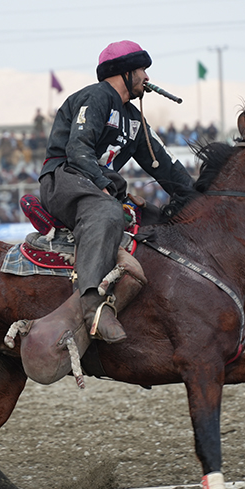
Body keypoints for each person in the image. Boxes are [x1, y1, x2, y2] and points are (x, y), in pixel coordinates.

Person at [39, 40, 195, 343]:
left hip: (99, 184)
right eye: (142, 70)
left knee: (154, 216)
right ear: (124, 72)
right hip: (64, 177)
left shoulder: (134, 120)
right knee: (108, 210)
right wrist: (106, 188)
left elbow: (165, 167)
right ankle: (91, 303)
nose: (147, 78)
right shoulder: (95, 97)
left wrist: (198, 199)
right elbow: (78, 150)